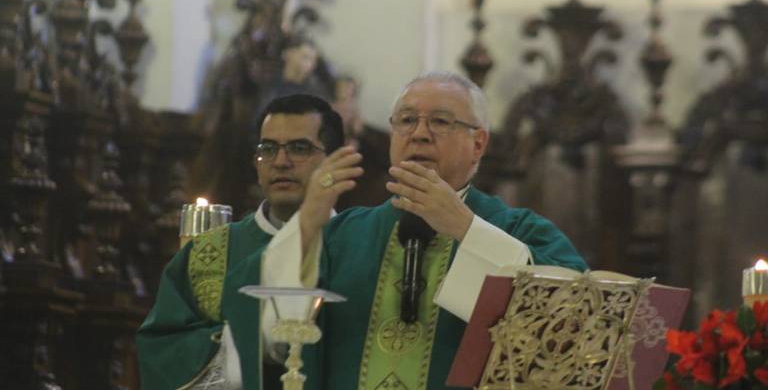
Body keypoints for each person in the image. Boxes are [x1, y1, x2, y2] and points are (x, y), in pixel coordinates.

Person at [261, 72, 588, 390]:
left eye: (441, 122)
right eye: (406, 120)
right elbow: (272, 334)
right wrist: (307, 222)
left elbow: (573, 327)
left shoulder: (521, 231)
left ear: (478, 144)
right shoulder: (342, 234)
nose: (419, 133)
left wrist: (466, 229)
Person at [136, 94, 346, 390]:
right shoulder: (207, 253)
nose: (281, 162)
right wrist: (252, 342)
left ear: (333, 160)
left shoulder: (358, 245)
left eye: (299, 148)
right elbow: (162, 350)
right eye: (268, 149)